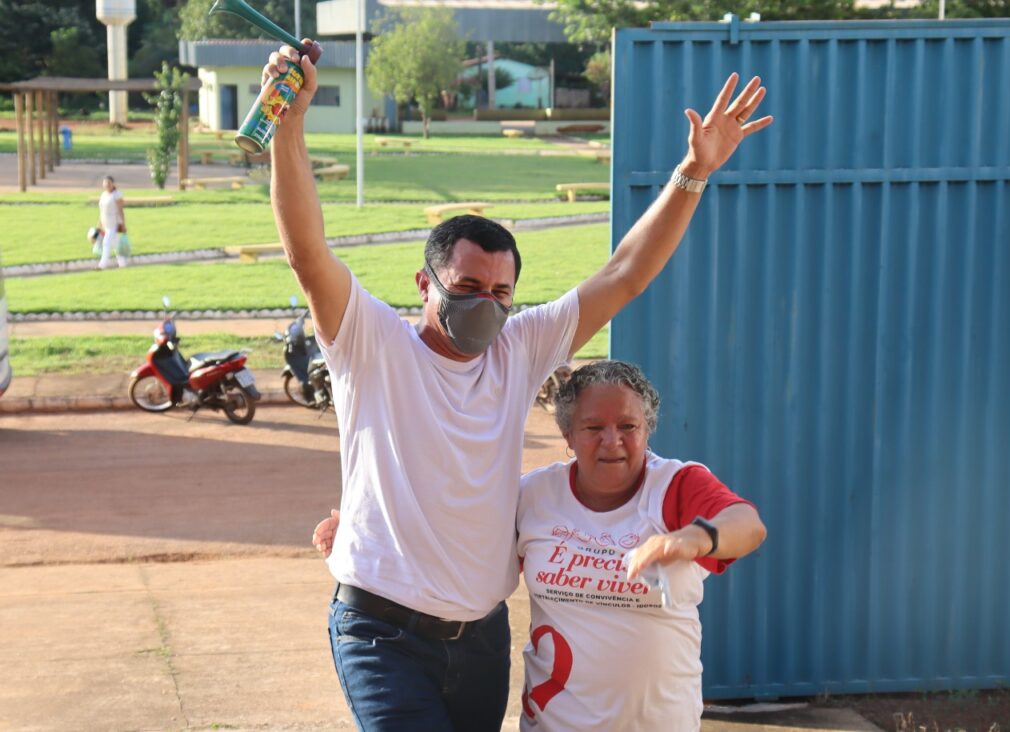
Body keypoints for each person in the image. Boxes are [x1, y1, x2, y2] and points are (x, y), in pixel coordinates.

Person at [267, 38, 771, 732]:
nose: (487, 304)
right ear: (425, 284)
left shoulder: (517, 349)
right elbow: (307, 253)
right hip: (384, 635)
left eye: (501, 293)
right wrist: (288, 126)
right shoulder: (372, 342)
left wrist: (693, 172)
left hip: (481, 639)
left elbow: (624, 274)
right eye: (468, 286)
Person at [516, 360, 766, 730]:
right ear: (568, 434)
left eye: (628, 426)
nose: (612, 440)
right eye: (593, 427)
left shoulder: (674, 485)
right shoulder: (535, 494)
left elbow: (748, 525)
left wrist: (694, 538)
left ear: (647, 429)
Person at [96, 175, 128, 269]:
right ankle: (122, 263)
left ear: (113, 184)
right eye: (105, 183)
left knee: (106, 242)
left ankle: (102, 265)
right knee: (116, 244)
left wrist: (123, 224)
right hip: (105, 222)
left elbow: (120, 210)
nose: (107, 185)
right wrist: (99, 223)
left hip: (113, 223)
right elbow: (102, 210)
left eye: (109, 183)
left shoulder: (117, 194)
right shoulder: (103, 194)